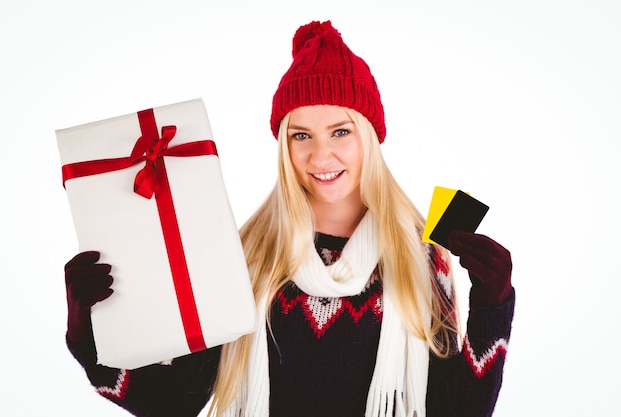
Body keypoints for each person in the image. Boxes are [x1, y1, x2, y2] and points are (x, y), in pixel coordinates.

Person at [64, 20, 515, 417]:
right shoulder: (247, 255)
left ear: (371, 138)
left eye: (341, 131)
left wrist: (493, 307)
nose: (321, 155)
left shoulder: (419, 253)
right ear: (284, 145)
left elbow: (457, 411)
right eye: (302, 135)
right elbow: (175, 401)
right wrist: (91, 337)